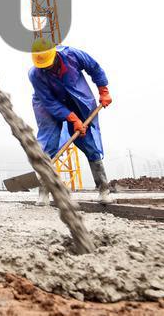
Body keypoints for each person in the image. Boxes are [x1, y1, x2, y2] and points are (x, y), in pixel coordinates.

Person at [30, 40, 114, 204]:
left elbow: (94, 68)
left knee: (88, 141)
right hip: (47, 104)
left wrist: (104, 91)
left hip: (76, 98)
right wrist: (73, 119)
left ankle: (104, 189)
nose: (46, 68)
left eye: (49, 64)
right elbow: (50, 103)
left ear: (55, 55)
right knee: (48, 143)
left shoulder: (72, 55)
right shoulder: (35, 74)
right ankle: (44, 190)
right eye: (43, 66)